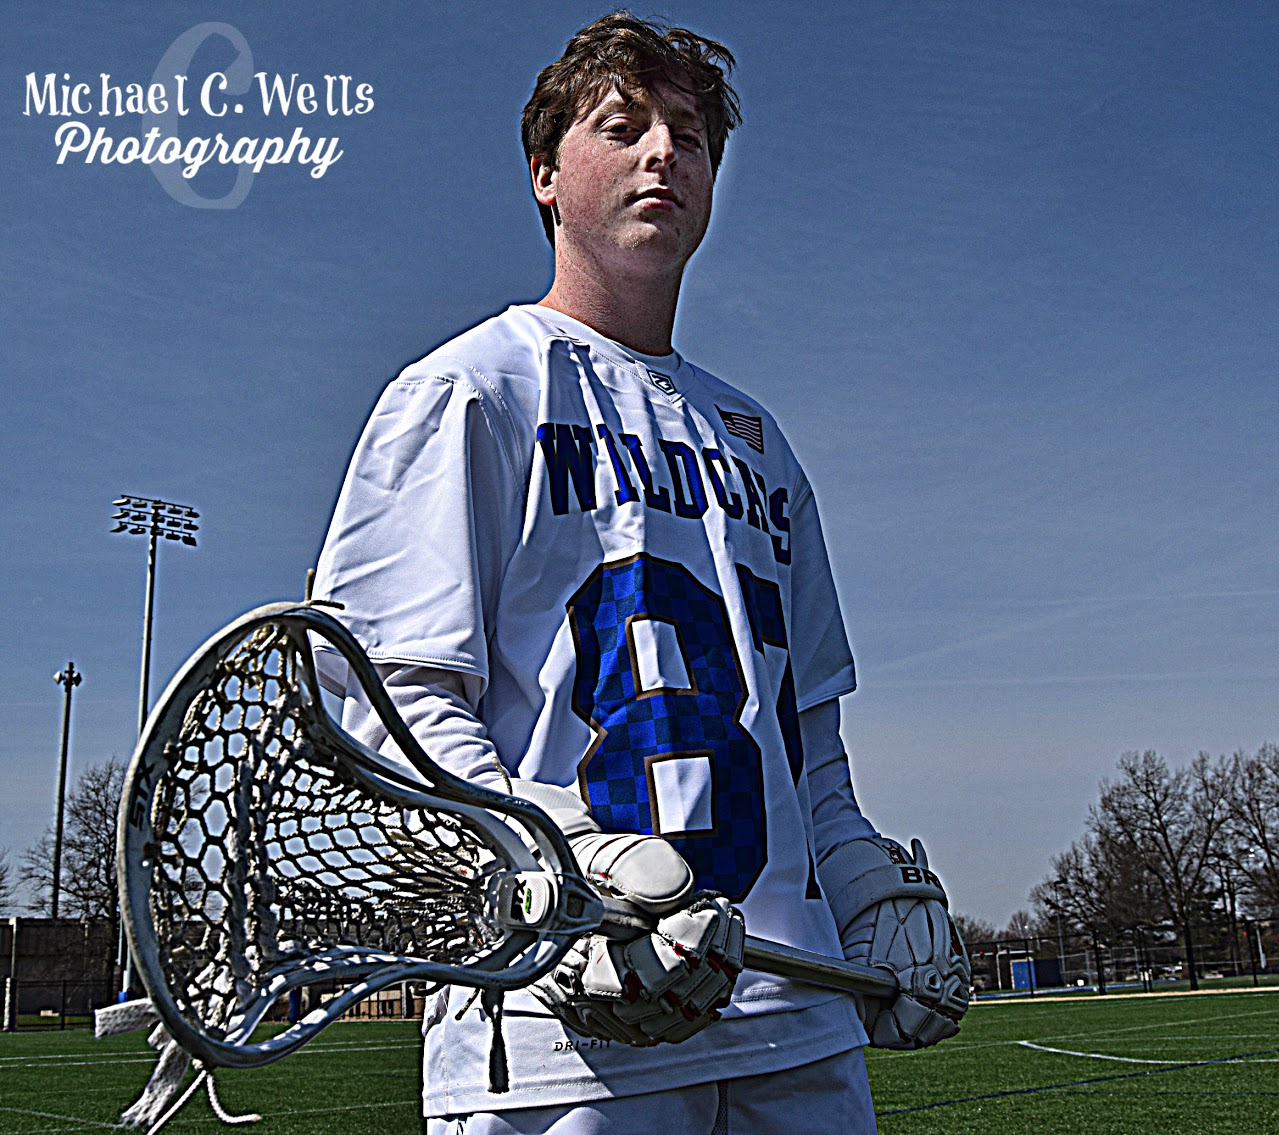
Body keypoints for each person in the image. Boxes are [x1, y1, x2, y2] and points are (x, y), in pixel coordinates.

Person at [311, 13, 969, 1134]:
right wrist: (559, 855)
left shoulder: (758, 437)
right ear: (544, 178)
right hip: (568, 1021)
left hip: (796, 1013)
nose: (663, 151)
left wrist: (864, 887)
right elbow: (391, 714)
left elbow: (809, 747)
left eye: (692, 135)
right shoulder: (470, 391)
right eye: (621, 127)